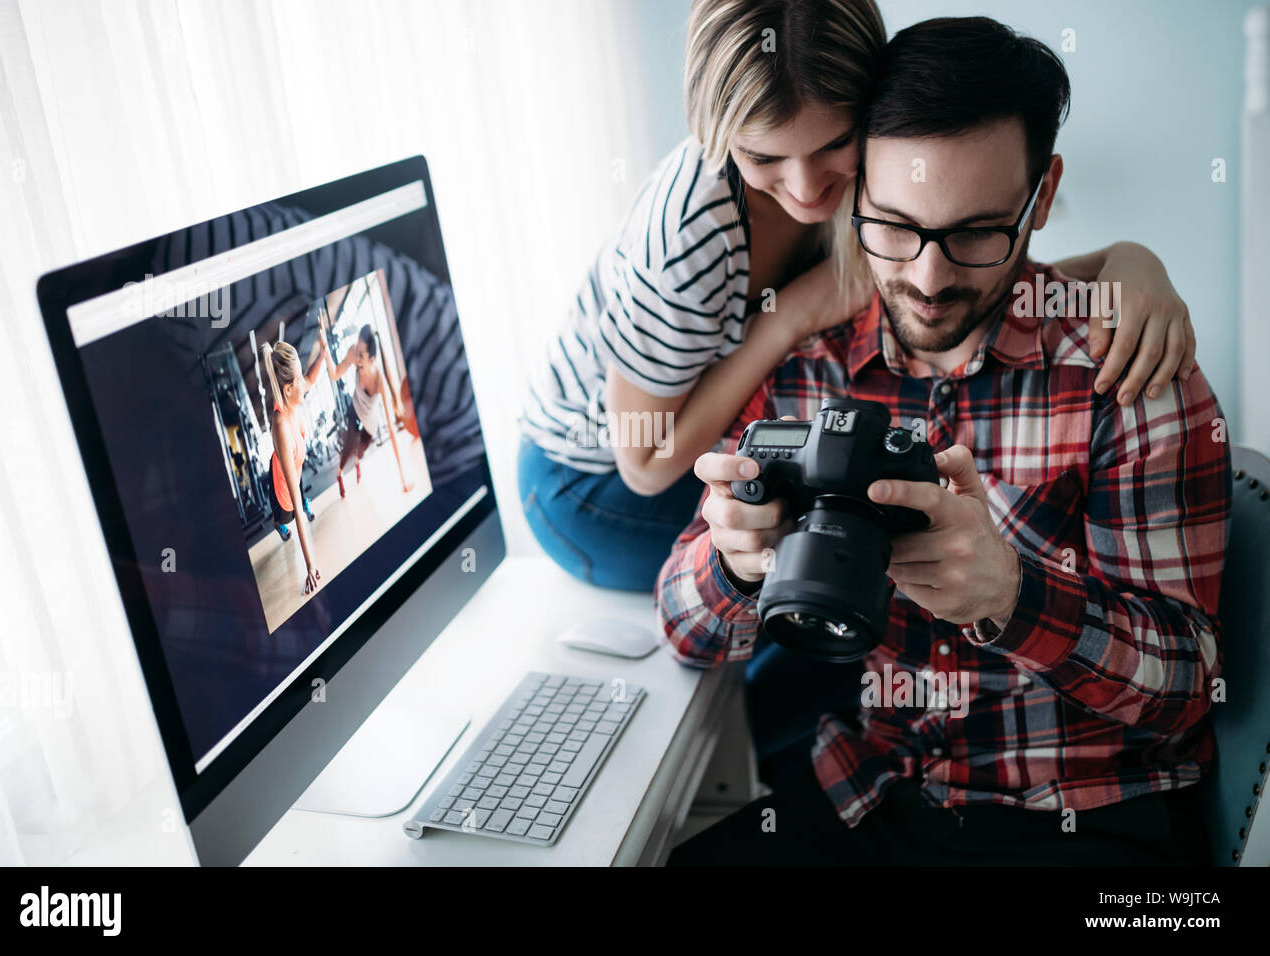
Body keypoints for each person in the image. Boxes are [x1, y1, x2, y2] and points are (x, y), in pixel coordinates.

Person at [659, 16, 1230, 866]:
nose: (928, 279)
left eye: (975, 233)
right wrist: (735, 566)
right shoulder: (813, 374)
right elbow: (682, 628)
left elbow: (1190, 689)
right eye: (893, 225)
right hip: (877, 791)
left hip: (1082, 818)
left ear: (1041, 197)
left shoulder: (1127, 369)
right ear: (855, 192)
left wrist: (1013, 595)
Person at [517, 0, 1199, 595]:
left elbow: (967, 282)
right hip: (592, 481)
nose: (809, 187)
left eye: (834, 147)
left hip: (698, 429)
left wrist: (1128, 263)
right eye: (764, 159)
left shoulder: (881, 167)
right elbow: (646, 462)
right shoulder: (688, 235)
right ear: (721, 136)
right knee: (828, 576)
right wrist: (791, 319)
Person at [261, 340, 326, 597]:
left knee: (298, 492)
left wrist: (322, 351)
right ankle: (278, 523)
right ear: (288, 389)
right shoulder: (282, 426)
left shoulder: (293, 398)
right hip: (282, 491)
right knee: (286, 516)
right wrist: (310, 566)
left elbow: (311, 377)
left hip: (293, 469)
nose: (304, 384)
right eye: (298, 380)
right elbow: (297, 506)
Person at [320, 324, 413, 497]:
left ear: (372, 359)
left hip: (371, 419)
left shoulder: (380, 381)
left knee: (361, 449)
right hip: (355, 408)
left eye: (361, 355)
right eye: (357, 351)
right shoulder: (354, 353)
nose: (357, 358)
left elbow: (392, 432)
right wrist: (325, 349)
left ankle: (358, 462)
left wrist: (403, 478)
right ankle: (339, 474)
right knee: (348, 445)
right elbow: (334, 374)